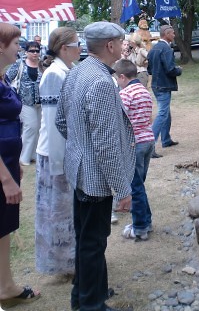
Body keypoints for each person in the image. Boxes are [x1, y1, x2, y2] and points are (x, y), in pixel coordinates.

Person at [55, 21, 135, 311]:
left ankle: (86, 294)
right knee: (93, 243)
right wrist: (123, 189)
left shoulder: (77, 72)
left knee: (87, 240)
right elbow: (107, 146)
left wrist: (80, 146)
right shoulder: (101, 82)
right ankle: (91, 305)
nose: (123, 46)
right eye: (120, 41)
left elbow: (62, 122)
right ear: (111, 46)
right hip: (94, 178)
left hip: (79, 172)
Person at [0, 23, 41, 308]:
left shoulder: (2, 78)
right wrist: (5, 178)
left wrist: (14, 164)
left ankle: (5, 285)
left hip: (7, 163)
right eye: (16, 43)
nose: (21, 48)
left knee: (3, 228)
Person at [35, 28, 81, 278]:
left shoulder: (65, 71)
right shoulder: (54, 75)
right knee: (58, 212)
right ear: (64, 48)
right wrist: (58, 163)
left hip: (64, 152)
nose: (80, 48)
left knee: (66, 212)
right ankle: (64, 265)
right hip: (56, 154)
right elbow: (53, 123)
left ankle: (70, 262)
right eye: (77, 44)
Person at [114, 59, 154, 240]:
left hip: (134, 144)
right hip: (148, 142)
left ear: (122, 77)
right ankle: (147, 221)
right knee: (139, 186)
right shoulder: (144, 91)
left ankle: (140, 227)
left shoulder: (125, 94)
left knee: (134, 188)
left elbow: (120, 120)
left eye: (117, 79)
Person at [147, 25, 182, 158]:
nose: (174, 35)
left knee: (165, 112)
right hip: (164, 85)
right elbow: (170, 69)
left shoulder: (153, 48)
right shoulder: (166, 49)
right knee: (162, 113)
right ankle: (150, 146)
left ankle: (166, 140)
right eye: (172, 33)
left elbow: (149, 69)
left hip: (156, 85)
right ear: (166, 34)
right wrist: (179, 70)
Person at [6, 40, 44, 165]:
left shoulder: (42, 65)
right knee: (30, 127)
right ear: (26, 52)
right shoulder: (19, 64)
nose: (35, 53)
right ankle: (23, 157)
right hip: (24, 102)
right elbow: (7, 79)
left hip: (39, 102)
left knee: (38, 129)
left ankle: (33, 154)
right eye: (32, 51)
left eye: (37, 51)